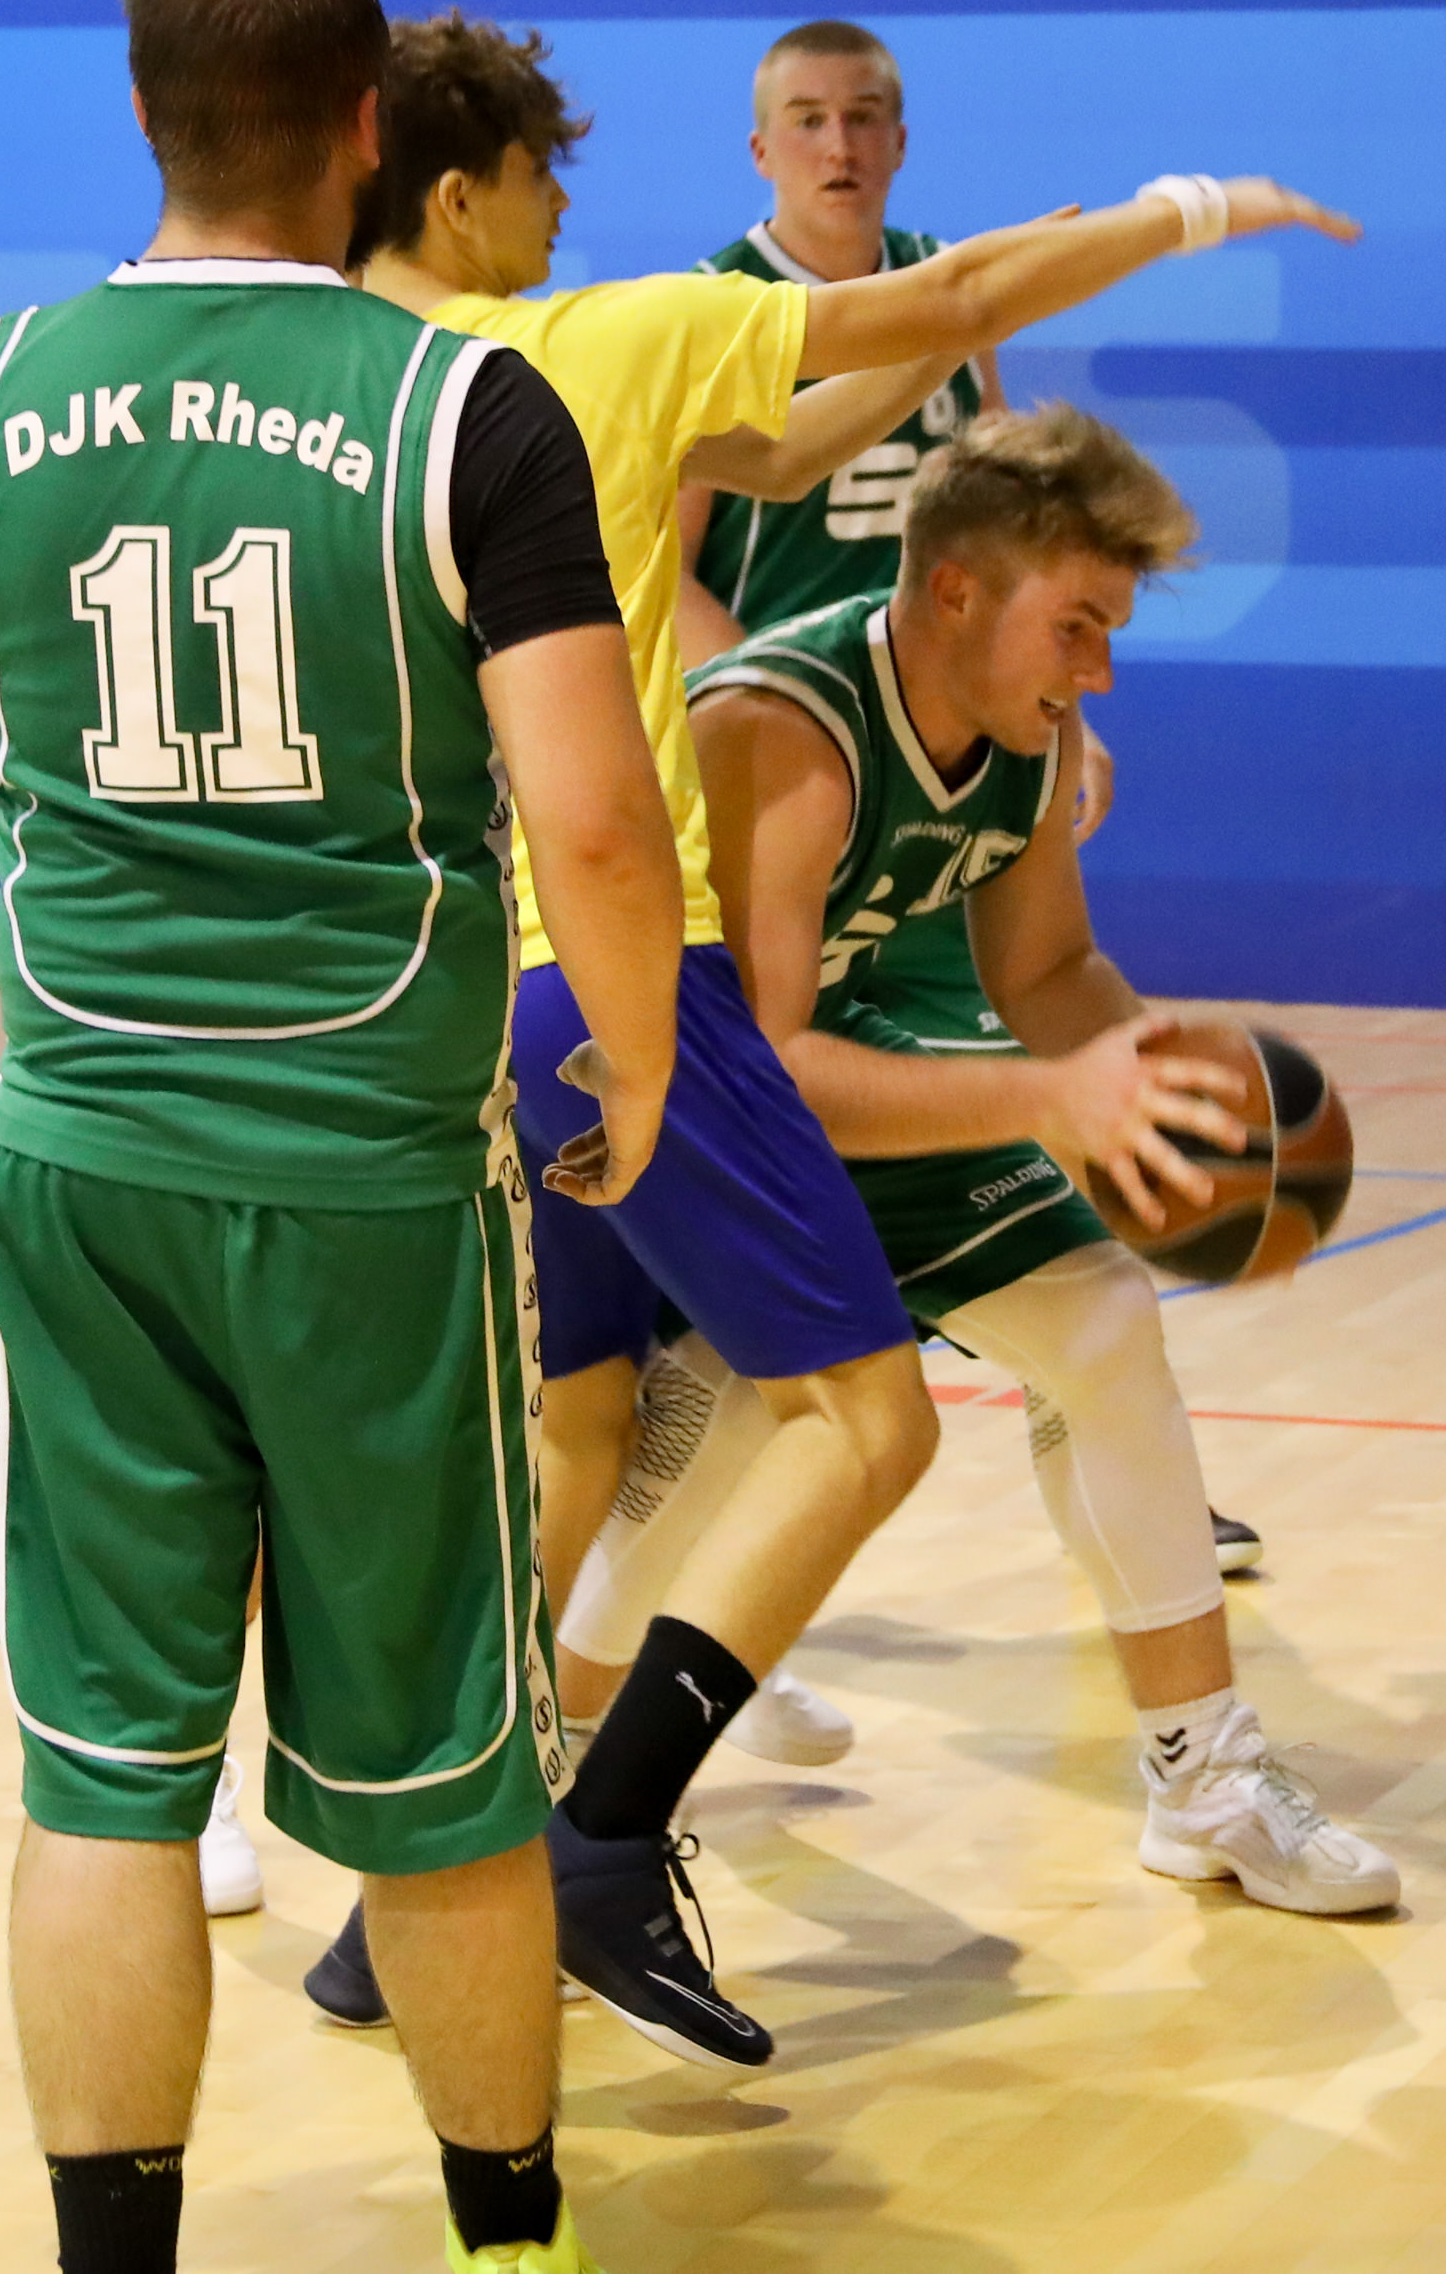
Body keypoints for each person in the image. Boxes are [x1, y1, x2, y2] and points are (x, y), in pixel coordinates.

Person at [310, 10, 1359, 2067]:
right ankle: (602, 1850)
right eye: (539, 176)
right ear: (457, 189)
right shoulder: (584, 351)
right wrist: (1188, 209)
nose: (564, 211)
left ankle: (411, 1882)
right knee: (859, 1421)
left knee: (602, 1432)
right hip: (616, 965)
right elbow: (944, 306)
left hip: (415, 985)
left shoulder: (332, 393)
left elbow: (789, 452)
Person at [0, 0, 677, 2274]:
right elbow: (591, 815)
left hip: (81, 1171)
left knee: (104, 1782)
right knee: (442, 1777)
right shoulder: (461, 408)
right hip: (366, 1179)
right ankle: (508, 2248)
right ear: (370, 126)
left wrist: (53, 753)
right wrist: (640, 1054)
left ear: (146, 111)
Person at [583, 401, 1401, 1916]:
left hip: (826, 1053)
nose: (1098, 672)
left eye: (1111, 635)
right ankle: (564, 1775)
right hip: (640, 1085)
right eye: (1077, 627)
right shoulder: (782, 730)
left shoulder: (1026, 723)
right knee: (738, 1424)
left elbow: (1044, 971)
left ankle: (1204, 1776)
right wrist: (1044, 1100)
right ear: (954, 591)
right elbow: (758, 1067)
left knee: (1101, 1321)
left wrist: (1149, 1092)